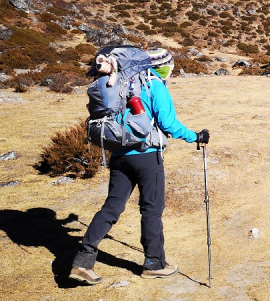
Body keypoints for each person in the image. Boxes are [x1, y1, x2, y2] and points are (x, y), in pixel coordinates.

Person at [69, 48, 210, 285]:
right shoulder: (153, 85)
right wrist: (196, 136)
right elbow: (168, 123)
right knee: (151, 210)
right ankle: (155, 263)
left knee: (112, 207)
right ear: (163, 66)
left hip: (119, 154)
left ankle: (83, 262)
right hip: (147, 157)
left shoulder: (120, 82)